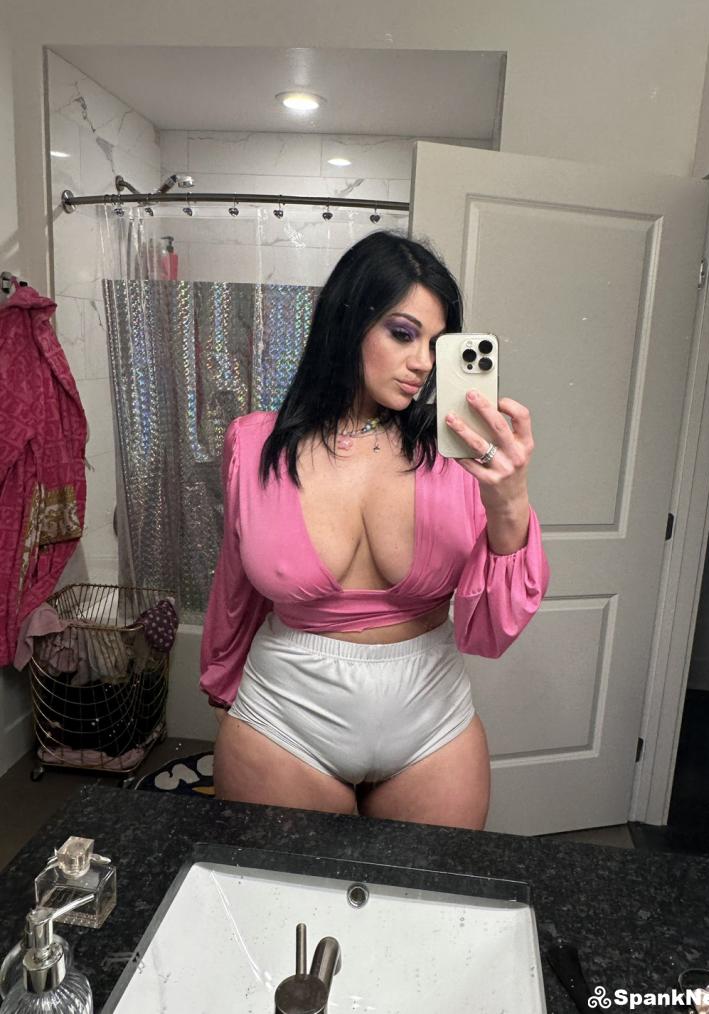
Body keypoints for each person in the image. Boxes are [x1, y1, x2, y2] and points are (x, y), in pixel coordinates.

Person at [200, 230, 549, 830]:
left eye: (437, 343)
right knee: (284, 890)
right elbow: (235, 588)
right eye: (403, 333)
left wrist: (509, 500)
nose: (424, 363)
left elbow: (490, 631)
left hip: (431, 724)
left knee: (427, 890)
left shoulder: (458, 453)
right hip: (282, 720)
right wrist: (221, 684)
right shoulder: (255, 442)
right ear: (347, 321)